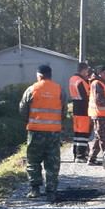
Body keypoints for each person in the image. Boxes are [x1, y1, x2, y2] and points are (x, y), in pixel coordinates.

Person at [19, 64, 64, 199]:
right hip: (54, 132)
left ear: (39, 76)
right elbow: (64, 111)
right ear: (51, 75)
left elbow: (22, 110)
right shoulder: (59, 90)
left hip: (35, 132)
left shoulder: (32, 89)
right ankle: (51, 190)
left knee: (33, 160)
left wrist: (31, 119)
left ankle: (35, 189)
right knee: (52, 161)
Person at [67, 61, 91, 163]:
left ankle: (76, 154)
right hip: (83, 108)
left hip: (76, 107)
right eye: (87, 71)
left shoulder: (72, 79)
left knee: (77, 133)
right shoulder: (80, 81)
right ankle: (81, 156)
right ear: (84, 70)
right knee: (83, 133)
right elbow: (85, 96)